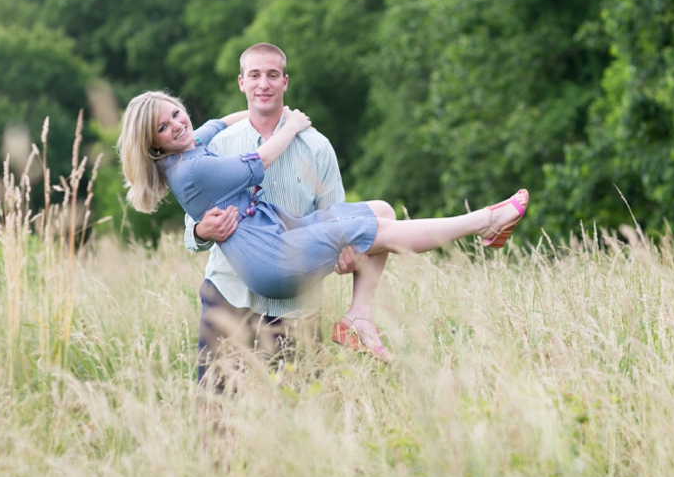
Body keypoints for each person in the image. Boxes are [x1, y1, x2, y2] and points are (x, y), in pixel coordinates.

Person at [117, 85, 530, 367]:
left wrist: (269, 112)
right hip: (266, 269)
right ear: (155, 144)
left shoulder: (194, 143)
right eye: (163, 128)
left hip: (284, 237)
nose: (176, 124)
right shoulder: (193, 168)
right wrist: (292, 125)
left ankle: (359, 315)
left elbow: (220, 122)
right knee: (221, 406)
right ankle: (484, 222)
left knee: (382, 211)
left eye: (175, 113)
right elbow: (260, 161)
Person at [184, 43, 366, 389]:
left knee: (297, 415)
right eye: (254, 75)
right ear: (241, 83)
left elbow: (335, 221)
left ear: (285, 82)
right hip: (229, 298)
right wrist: (201, 230)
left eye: (271, 75)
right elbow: (190, 231)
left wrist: (346, 255)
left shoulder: (317, 147)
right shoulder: (220, 146)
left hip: (296, 303)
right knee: (216, 408)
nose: (263, 84)